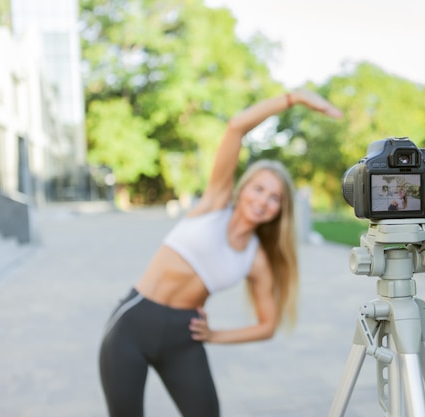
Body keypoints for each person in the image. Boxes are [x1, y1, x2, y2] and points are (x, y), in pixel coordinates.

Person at [99, 90, 343, 417]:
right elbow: (236, 127)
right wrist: (293, 99)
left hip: (184, 338)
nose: (263, 201)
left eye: (274, 198)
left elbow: (267, 325)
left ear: (280, 210)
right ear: (242, 190)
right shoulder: (214, 205)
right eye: (259, 189)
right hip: (133, 326)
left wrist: (216, 335)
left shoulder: (255, 259)